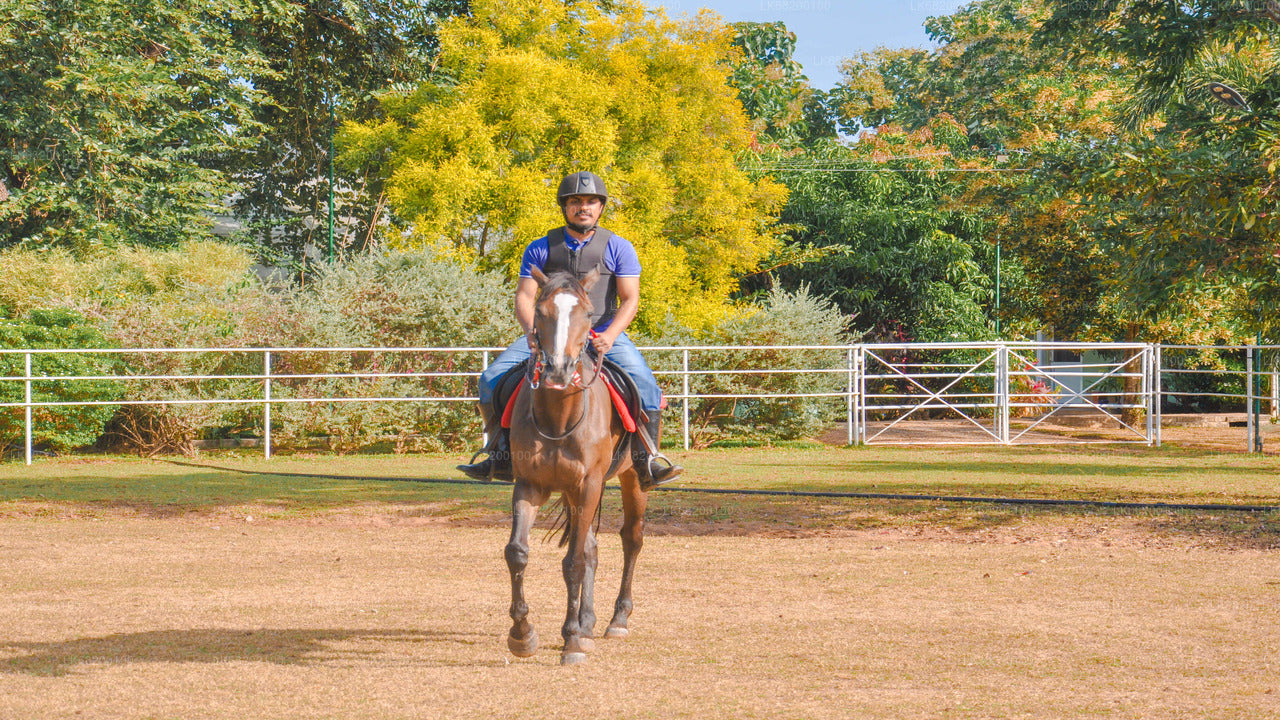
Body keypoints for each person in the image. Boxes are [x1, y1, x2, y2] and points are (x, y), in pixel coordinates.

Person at [458, 171, 682, 489]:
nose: (584, 207)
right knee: (491, 379)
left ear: (601, 207)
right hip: (547, 337)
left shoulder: (619, 248)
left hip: (601, 332)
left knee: (645, 385)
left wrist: (611, 335)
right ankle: (499, 454)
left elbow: (631, 299)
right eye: (576, 201)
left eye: (591, 201)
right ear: (565, 207)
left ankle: (648, 460)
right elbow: (524, 296)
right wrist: (531, 332)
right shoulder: (539, 248)